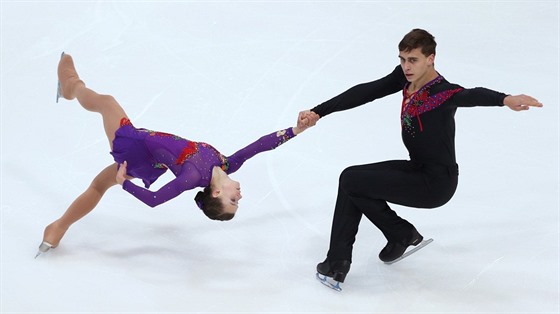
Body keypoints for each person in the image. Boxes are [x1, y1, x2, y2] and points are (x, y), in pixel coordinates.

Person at [298, 29, 543, 287]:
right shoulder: (404, 79)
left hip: (435, 183)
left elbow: (472, 94)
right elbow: (365, 92)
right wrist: (318, 112)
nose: (406, 66)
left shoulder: (442, 93)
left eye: (413, 60)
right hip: (417, 169)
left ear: (431, 58)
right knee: (352, 182)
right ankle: (372, 248)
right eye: (402, 59)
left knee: (351, 180)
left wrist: (505, 99)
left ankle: (381, 242)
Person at [36, 53, 312, 258]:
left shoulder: (192, 176)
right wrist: (295, 130)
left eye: (233, 201)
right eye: (237, 201)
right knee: (98, 185)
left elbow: (155, 200)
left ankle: (71, 86)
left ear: (215, 194)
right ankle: (56, 230)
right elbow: (260, 145)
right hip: (148, 155)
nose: (240, 197)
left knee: (106, 103)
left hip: (136, 148)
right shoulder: (227, 163)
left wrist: (125, 182)